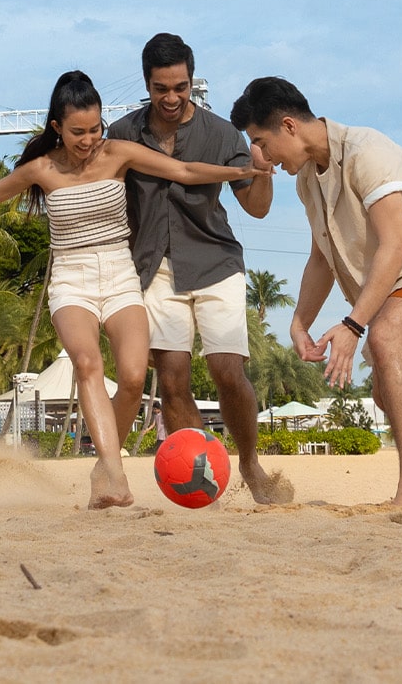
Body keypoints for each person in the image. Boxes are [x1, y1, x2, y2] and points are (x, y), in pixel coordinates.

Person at [0, 71, 266, 508]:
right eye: (79, 131)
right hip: (71, 279)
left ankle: (102, 464)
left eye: (96, 128)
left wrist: (243, 168)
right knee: (86, 362)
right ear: (57, 126)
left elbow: (185, 171)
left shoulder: (117, 153)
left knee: (134, 377)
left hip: (120, 274)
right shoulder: (41, 169)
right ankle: (114, 474)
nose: (90, 139)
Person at [231, 77, 402, 506]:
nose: (263, 158)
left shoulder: (365, 151)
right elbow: (322, 258)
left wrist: (354, 325)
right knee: (387, 392)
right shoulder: (306, 182)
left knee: (385, 335)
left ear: (288, 126)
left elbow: (397, 244)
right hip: (400, 281)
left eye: (261, 141)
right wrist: (300, 321)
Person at [105, 34, 291, 505]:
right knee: (172, 379)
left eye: (180, 87)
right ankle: (201, 477)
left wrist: (262, 172)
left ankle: (250, 468)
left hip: (216, 262)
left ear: (191, 79)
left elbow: (256, 208)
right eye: (160, 88)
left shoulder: (222, 134)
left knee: (228, 370)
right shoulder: (123, 134)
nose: (171, 98)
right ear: (147, 82)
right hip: (153, 269)